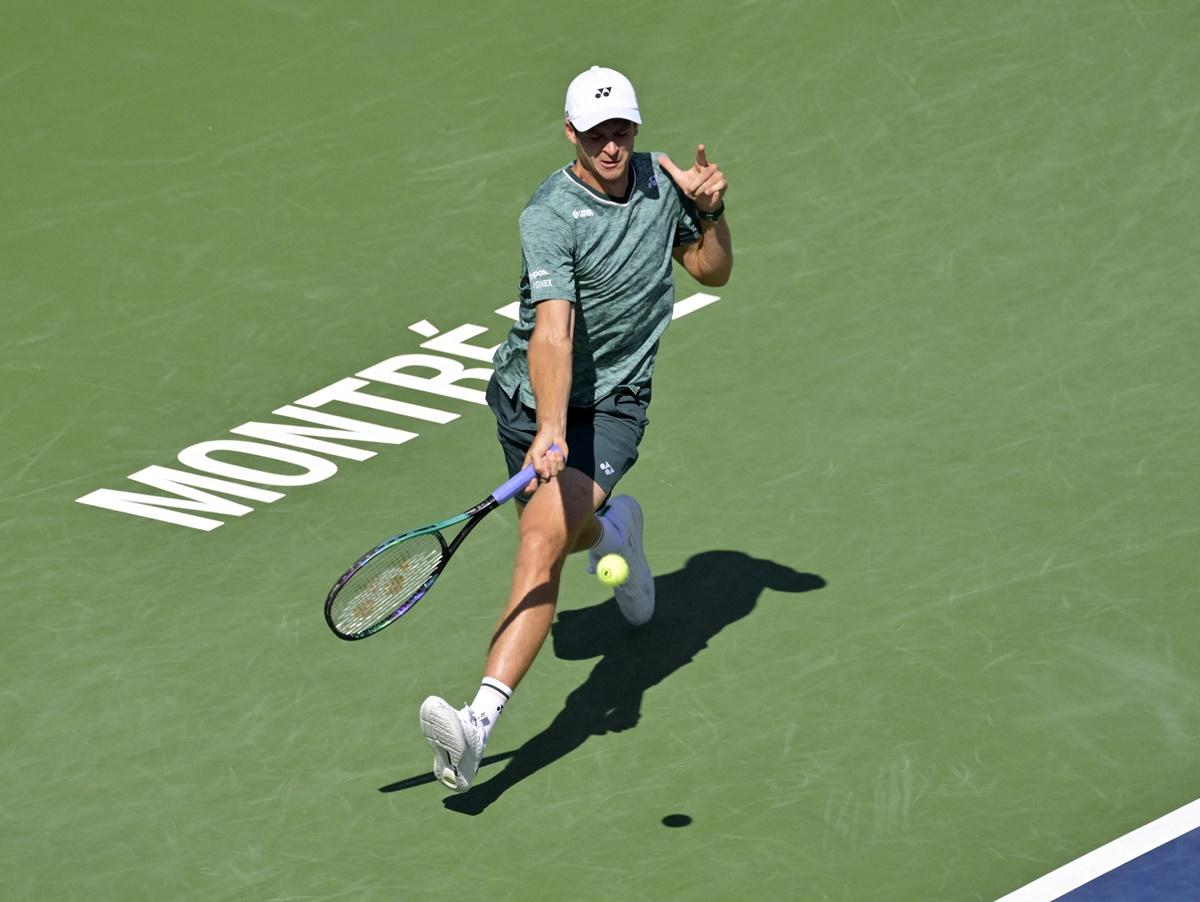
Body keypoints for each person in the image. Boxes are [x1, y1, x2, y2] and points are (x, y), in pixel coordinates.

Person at [418, 65, 733, 793]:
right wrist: (550, 426)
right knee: (567, 532)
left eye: (621, 130)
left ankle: (475, 730)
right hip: (529, 402)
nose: (611, 147)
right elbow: (552, 332)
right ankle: (617, 533)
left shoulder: (661, 182)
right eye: (596, 135)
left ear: (635, 127)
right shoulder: (550, 216)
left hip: (614, 404)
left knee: (539, 542)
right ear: (572, 135)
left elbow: (709, 272)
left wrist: (713, 213)